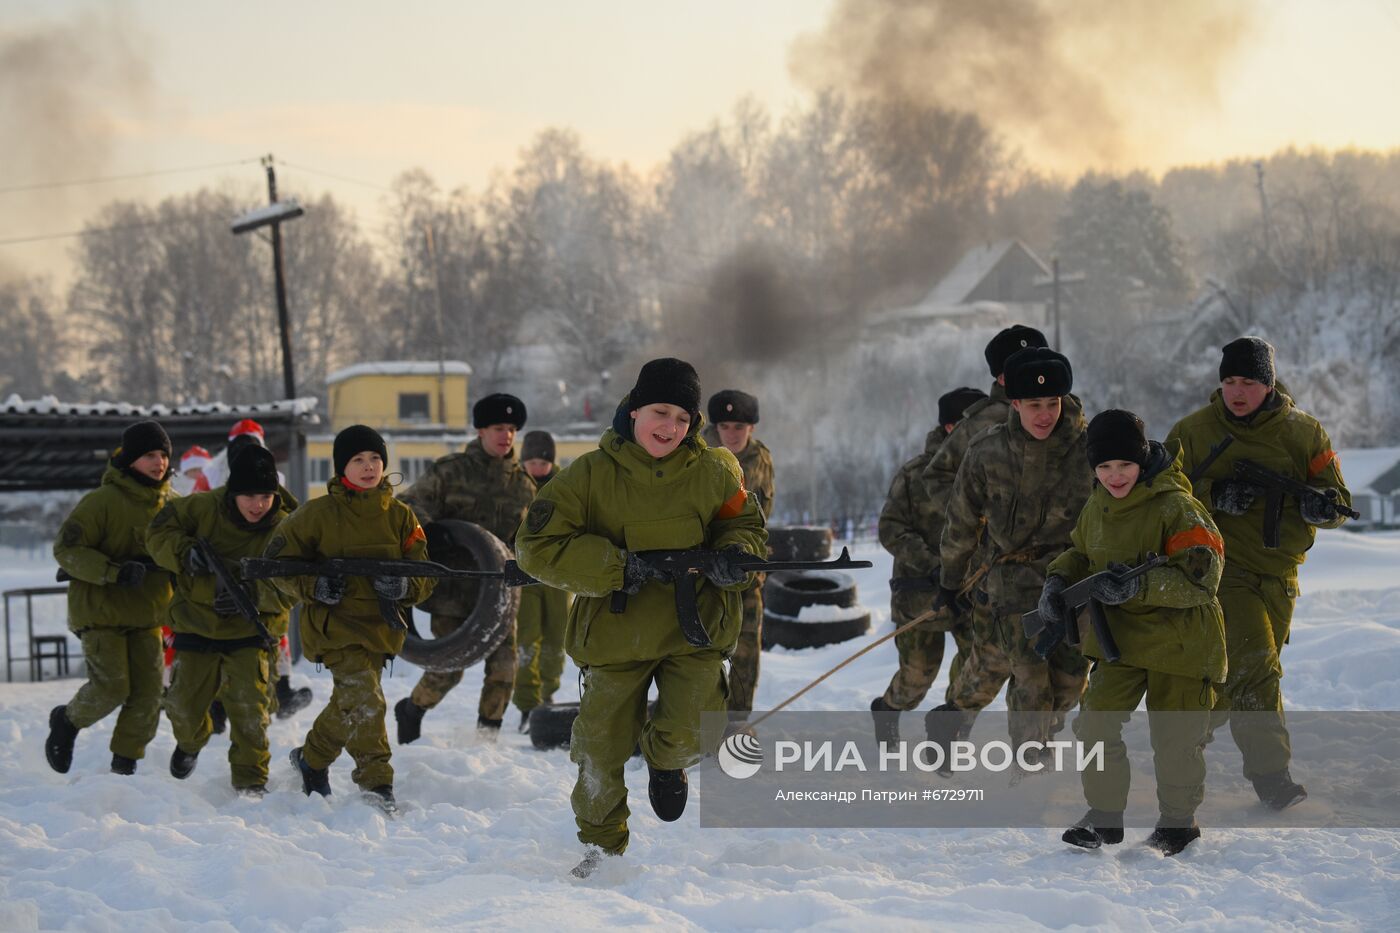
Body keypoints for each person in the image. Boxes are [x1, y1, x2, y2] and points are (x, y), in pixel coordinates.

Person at [514, 358, 767, 878]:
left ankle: (666, 761)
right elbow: (535, 546)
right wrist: (615, 566)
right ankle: (601, 849)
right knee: (599, 748)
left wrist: (734, 556)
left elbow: (745, 526)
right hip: (615, 634)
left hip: (694, 630)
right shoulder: (588, 475)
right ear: (634, 410)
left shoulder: (716, 471)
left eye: (682, 417)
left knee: (694, 729)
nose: (670, 427)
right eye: (660, 412)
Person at [1165, 336, 1352, 809]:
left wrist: (1321, 507)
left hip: (1281, 575)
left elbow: (1338, 501)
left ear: (1268, 384)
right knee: (1256, 665)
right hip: (1219, 571)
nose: (1237, 391)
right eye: (1229, 381)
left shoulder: (1304, 432)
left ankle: (1180, 745)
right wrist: (1214, 495)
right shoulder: (1193, 432)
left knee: (1238, 678)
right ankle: (1273, 779)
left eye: (1248, 381)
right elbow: (1158, 495)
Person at [1042, 410, 1227, 856]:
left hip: (1181, 641)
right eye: (1104, 466)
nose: (1115, 476)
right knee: (1095, 722)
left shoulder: (1177, 506)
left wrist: (1138, 586)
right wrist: (1057, 580)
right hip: (1120, 640)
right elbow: (1080, 553)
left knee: (1175, 737)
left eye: (1124, 464)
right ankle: (1104, 818)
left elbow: (1204, 579)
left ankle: (1179, 825)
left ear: (1141, 459)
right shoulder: (1098, 505)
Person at [263, 425, 434, 812]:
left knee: (351, 702)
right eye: (358, 459)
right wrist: (314, 586)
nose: (369, 466)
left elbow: (425, 574)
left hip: (380, 629)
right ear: (342, 467)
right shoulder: (316, 515)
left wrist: (403, 587)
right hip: (335, 628)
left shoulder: (401, 517)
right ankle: (377, 784)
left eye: (375, 458)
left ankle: (311, 759)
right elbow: (276, 564)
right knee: (366, 700)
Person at [935, 347, 1091, 764]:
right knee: (1029, 678)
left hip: (1073, 578)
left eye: (1053, 403)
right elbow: (961, 521)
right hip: (1012, 580)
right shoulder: (986, 451)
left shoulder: (1089, 447)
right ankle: (1029, 766)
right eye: (1034, 405)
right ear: (1015, 403)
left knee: (1071, 681)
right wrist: (950, 580)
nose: (1045, 415)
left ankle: (1032, 737)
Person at [917, 326, 1048, 745]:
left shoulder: (1059, 415)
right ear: (1002, 377)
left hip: (1054, 565)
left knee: (1045, 666)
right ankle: (959, 723)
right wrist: (980, 517)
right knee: (998, 660)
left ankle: (1026, 743)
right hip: (996, 570)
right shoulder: (982, 423)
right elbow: (937, 478)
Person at [147, 446, 295, 795]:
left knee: (250, 711)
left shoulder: (288, 526)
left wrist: (254, 595)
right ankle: (191, 742)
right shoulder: (201, 508)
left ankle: (251, 783)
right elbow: (157, 533)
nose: (258, 505)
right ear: (232, 492)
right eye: (249, 496)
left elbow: (297, 582)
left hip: (252, 631)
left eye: (266, 496)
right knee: (182, 708)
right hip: (196, 624)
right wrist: (185, 553)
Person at [393, 393, 538, 743]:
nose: (506, 435)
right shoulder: (451, 471)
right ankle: (412, 709)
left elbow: (530, 538)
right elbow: (408, 506)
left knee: (504, 669)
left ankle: (486, 739)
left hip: (500, 593)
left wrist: (527, 564)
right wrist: (434, 533)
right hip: (452, 590)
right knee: (448, 669)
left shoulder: (523, 485)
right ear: (480, 431)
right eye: (498, 428)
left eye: (511, 429)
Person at [46, 420, 175, 776]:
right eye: (149, 455)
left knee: (150, 695)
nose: (159, 462)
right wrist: (113, 572)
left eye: (163, 455)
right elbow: (66, 549)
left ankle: (124, 766)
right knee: (112, 687)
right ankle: (67, 721)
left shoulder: (174, 507)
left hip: (148, 615)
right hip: (101, 613)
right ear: (130, 459)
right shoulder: (102, 502)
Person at [871, 386, 986, 744]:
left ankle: (950, 732)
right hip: (922, 596)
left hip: (973, 594)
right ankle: (887, 708)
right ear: (951, 428)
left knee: (976, 672)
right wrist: (934, 564)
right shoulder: (915, 474)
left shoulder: (992, 471)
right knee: (916, 679)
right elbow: (891, 529)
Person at [700, 389, 774, 719]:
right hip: (701, 570)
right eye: (724, 426)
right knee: (698, 656)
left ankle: (737, 723)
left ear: (751, 428)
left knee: (746, 653)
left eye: (739, 427)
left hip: (747, 568)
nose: (731, 434)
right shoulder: (696, 455)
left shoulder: (761, 459)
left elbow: (762, 516)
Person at [511, 430, 573, 729]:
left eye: (543, 463)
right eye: (532, 462)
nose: (537, 468)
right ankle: (527, 701)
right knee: (527, 637)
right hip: (522, 573)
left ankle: (548, 693)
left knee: (556, 635)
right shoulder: (513, 485)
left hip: (557, 573)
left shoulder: (565, 485)